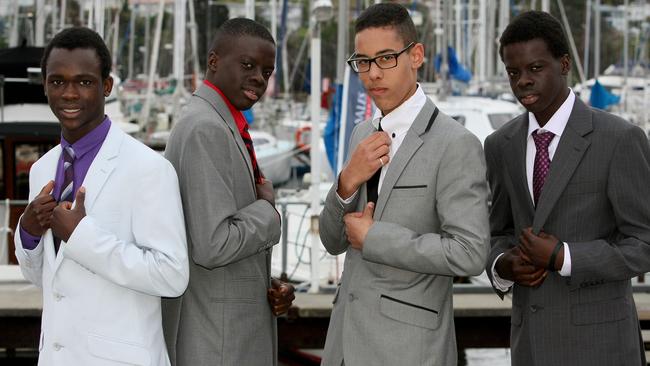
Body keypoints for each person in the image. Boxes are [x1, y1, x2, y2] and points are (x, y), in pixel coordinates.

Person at [318, 3, 490, 366]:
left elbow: (470, 252)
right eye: (362, 62)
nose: (372, 74)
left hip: (409, 351)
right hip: (344, 345)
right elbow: (333, 241)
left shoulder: (456, 143)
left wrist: (375, 238)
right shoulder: (361, 133)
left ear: (416, 56)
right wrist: (347, 182)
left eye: (385, 58)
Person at [14, 27, 189, 365]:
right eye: (57, 81)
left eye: (84, 82)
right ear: (45, 85)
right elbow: (46, 278)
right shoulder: (42, 169)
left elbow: (172, 275)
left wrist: (81, 236)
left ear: (106, 86)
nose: (69, 93)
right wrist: (28, 233)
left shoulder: (148, 168)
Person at [485, 11, 650, 366]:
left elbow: (644, 244)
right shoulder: (500, 145)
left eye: (535, 68)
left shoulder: (619, 139)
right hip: (529, 344)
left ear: (563, 64)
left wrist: (565, 257)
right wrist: (502, 264)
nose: (523, 81)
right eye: (514, 73)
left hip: (601, 346)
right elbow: (497, 232)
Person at [162, 18, 295, 366]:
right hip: (217, 344)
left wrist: (267, 283)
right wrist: (268, 210)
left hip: (228, 336)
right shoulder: (206, 128)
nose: (258, 79)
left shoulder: (222, 122)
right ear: (214, 61)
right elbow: (213, 244)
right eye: (248, 65)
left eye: (267, 71)